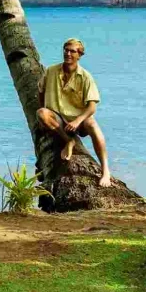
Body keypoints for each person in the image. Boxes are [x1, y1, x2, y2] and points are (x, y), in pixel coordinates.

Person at [36, 37, 111, 187]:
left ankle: (106, 171)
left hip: (78, 121)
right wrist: (46, 110)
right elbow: (41, 92)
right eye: (66, 50)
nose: (68, 54)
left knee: (92, 123)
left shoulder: (85, 77)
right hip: (58, 119)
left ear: (79, 55)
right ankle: (69, 141)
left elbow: (92, 107)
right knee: (41, 113)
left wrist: (78, 121)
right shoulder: (51, 71)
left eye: (72, 51)